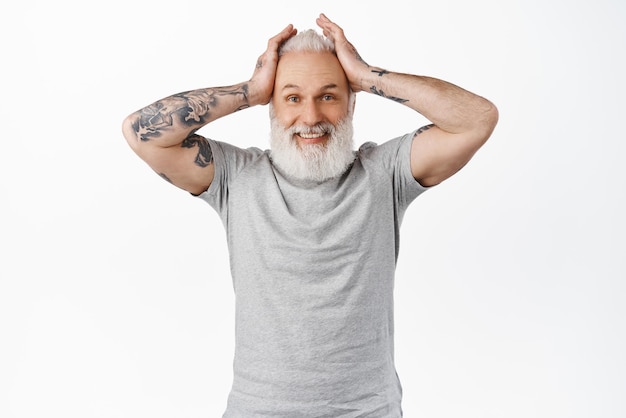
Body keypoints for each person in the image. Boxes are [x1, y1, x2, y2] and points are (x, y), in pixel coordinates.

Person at [122, 13, 498, 418]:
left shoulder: (385, 173)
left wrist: (366, 74)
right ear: (271, 107)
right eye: (293, 97)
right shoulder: (237, 176)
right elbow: (140, 132)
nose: (311, 117)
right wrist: (250, 90)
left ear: (352, 101)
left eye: (329, 95)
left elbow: (476, 120)